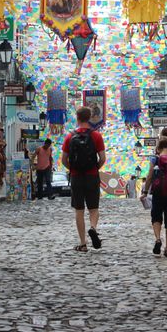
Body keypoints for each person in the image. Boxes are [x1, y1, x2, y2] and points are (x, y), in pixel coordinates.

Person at [62, 107, 106, 252]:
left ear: (77, 117)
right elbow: (103, 158)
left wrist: (73, 168)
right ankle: (93, 228)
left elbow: (63, 160)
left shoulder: (70, 137)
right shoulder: (96, 136)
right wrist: (95, 168)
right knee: (94, 208)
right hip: (92, 175)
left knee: (79, 210)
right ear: (90, 117)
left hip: (76, 177)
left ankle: (83, 243)